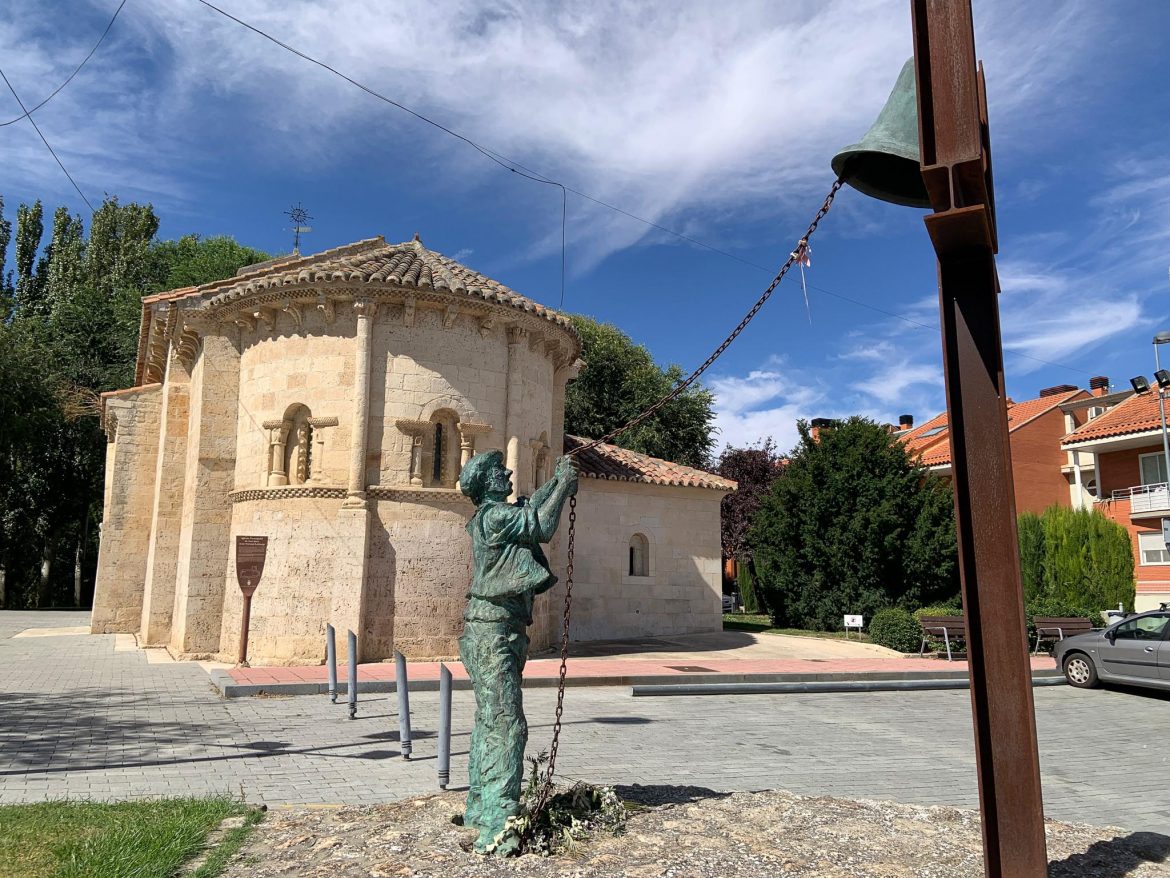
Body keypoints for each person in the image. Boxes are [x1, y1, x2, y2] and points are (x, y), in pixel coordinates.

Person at [457, 449, 579, 853]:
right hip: (494, 629)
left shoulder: (492, 516)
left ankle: (480, 804)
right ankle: (499, 822)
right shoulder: (495, 517)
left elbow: (531, 505)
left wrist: (555, 480)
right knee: (508, 723)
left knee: (489, 718)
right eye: (498, 470)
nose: (507, 471)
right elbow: (542, 525)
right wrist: (563, 485)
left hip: (493, 626)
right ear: (485, 483)